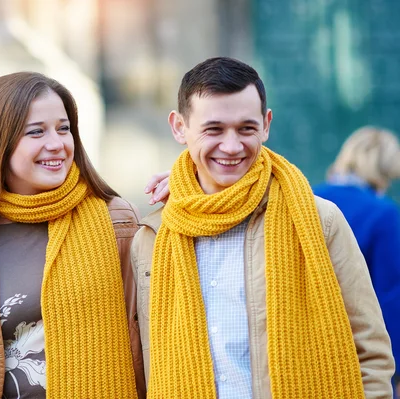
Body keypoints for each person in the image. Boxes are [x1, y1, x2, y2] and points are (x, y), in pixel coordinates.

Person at [131, 57, 395, 398]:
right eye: (214, 129)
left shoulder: (320, 220)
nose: (231, 146)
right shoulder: (152, 237)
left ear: (266, 124)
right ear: (180, 127)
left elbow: (370, 351)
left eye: (246, 128)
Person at [0, 71, 167, 398]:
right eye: (36, 132)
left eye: (63, 128)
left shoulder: (116, 221)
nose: (56, 144)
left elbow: (158, 333)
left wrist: (190, 195)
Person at [313, 126, 400, 397]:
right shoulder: (384, 215)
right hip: (357, 356)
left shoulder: (308, 197)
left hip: (304, 350)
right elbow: (390, 300)